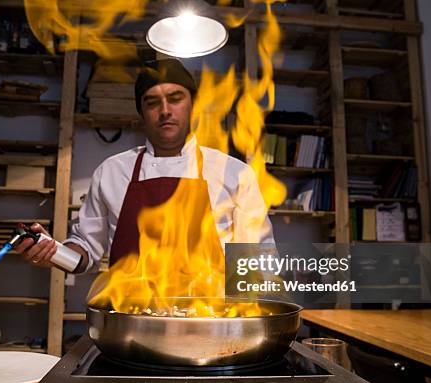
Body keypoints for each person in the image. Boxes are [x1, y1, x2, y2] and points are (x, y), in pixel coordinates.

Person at [14, 58, 275, 272]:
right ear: (141, 112)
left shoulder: (234, 173)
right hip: (132, 322)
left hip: (211, 321)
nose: (165, 110)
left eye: (175, 98)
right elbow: (86, 249)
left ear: (192, 105)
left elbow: (259, 263)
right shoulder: (112, 172)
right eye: (152, 102)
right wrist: (53, 253)